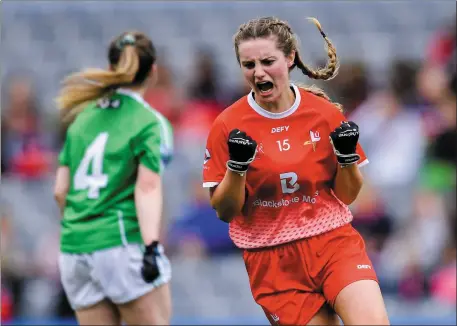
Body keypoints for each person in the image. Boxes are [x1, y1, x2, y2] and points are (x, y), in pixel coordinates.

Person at [202, 17, 390, 325]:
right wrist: (237, 168)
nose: (258, 72)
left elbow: (349, 194)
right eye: (248, 64)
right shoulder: (227, 125)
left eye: (267, 61)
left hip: (333, 243)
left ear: (289, 59)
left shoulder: (323, 113)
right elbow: (225, 211)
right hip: (273, 261)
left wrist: (346, 159)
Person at [54, 31, 173, 325]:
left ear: (111, 69)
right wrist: (151, 246)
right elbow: (147, 188)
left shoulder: (82, 118)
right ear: (153, 72)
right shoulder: (149, 121)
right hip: (122, 243)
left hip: (74, 248)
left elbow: (60, 191)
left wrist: (82, 229)